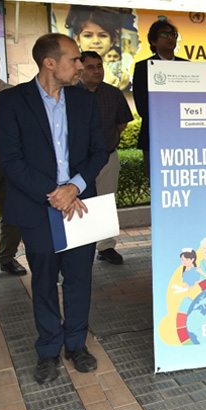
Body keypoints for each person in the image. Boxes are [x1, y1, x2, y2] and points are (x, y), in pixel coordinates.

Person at [0, 33, 108, 383]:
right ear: (50, 63)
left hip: (79, 206)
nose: (81, 66)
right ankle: (48, 349)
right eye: (74, 60)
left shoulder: (83, 101)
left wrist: (74, 186)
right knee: (43, 280)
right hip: (37, 206)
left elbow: (98, 151)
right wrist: (54, 193)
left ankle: (76, 344)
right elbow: (11, 160)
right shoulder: (12, 101)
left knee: (79, 278)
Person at [78, 51, 133, 265]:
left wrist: (107, 142)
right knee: (80, 204)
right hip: (79, 162)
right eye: (90, 67)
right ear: (80, 69)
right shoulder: (68, 93)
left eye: (99, 66)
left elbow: (122, 123)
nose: (96, 70)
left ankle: (106, 247)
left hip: (108, 157)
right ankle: (80, 250)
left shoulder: (113, 93)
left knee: (105, 203)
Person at [131, 19, 188, 178]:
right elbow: (142, 106)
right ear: (153, 41)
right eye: (164, 34)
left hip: (184, 137)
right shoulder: (143, 67)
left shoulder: (188, 66)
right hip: (154, 136)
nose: (170, 38)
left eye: (173, 34)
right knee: (157, 182)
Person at [0, 49, 23, 278]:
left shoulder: (11, 92)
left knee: (12, 212)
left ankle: (7, 258)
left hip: (11, 162)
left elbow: (20, 128)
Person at [64, 5, 129, 89]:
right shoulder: (68, 73)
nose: (96, 41)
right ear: (77, 38)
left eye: (102, 35)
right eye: (88, 35)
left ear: (112, 40)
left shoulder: (121, 74)